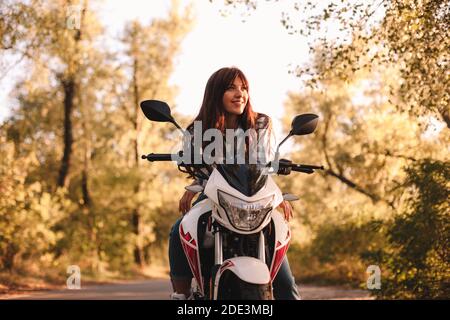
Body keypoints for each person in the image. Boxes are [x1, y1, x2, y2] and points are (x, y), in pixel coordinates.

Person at [169, 67, 300, 300]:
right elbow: (199, 168)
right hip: (214, 196)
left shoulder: (260, 124)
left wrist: (277, 195)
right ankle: (180, 295)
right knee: (180, 228)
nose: (240, 93)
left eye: (244, 88)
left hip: (255, 198)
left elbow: (264, 164)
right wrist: (191, 188)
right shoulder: (197, 129)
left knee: (279, 246)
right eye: (231, 88)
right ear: (216, 93)